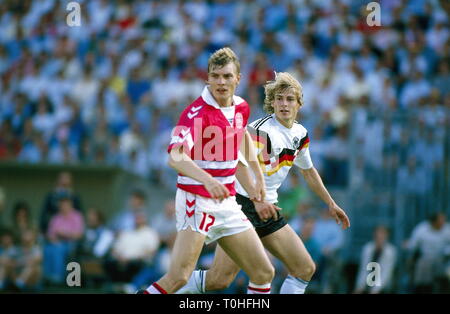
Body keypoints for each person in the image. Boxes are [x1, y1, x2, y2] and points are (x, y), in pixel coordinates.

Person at [178, 72, 350, 294]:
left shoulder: (300, 133)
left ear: (299, 103)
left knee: (304, 268)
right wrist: (256, 199)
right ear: (272, 102)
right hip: (241, 205)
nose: (284, 104)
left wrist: (331, 204)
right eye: (279, 98)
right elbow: (238, 165)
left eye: (289, 99)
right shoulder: (259, 130)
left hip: (267, 208)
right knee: (218, 280)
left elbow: (308, 172)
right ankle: (169, 286)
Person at [138, 47, 275, 294]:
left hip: (227, 202)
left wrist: (256, 176)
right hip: (196, 201)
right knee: (178, 277)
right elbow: (175, 157)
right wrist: (208, 180)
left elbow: (240, 136)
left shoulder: (241, 107)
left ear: (238, 79)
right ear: (207, 78)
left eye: (226, 76)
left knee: (263, 272)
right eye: (215, 76)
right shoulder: (196, 114)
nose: (221, 82)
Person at [354, 225, 397, 294]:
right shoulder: (367, 248)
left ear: (387, 236)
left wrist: (375, 290)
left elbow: (386, 274)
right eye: (378, 234)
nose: (380, 237)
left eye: (383, 235)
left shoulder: (390, 252)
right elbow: (363, 270)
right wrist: (359, 286)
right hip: (368, 284)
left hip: (383, 287)